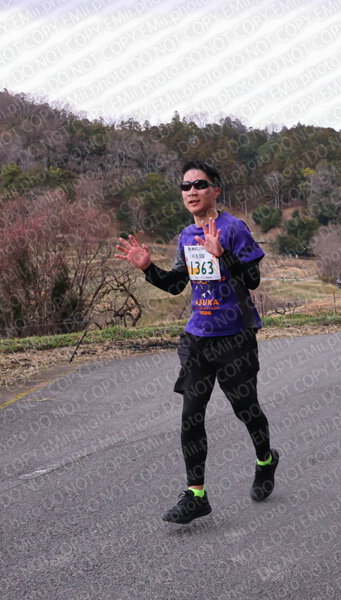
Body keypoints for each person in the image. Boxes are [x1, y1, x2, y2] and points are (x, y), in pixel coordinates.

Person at [115, 160, 279, 524]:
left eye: (199, 185)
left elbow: (252, 279)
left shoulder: (233, 228)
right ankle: (196, 495)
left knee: (245, 409)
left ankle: (266, 460)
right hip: (198, 337)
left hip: (235, 335)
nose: (191, 191)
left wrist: (224, 255)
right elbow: (177, 284)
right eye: (185, 186)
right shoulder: (186, 236)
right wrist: (147, 269)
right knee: (191, 414)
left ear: (215, 191)